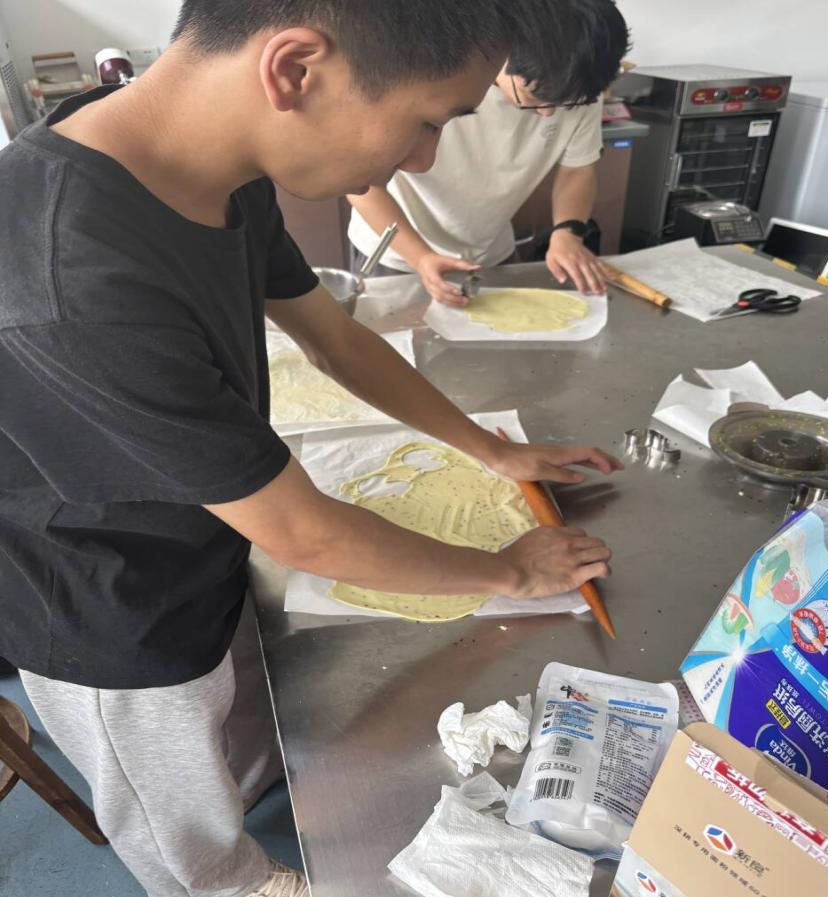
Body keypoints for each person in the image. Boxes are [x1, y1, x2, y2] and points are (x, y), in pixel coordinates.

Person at [0, 2, 621, 896]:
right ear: (294, 69)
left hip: (205, 534)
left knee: (238, 739)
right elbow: (306, 533)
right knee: (178, 819)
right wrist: (510, 571)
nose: (423, 160)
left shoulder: (221, 167)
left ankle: (250, 803)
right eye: (427, 122)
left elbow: (335, 338)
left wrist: (491, 450)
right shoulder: (71, 269)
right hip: (106, 606)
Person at [348, 0, 629, 304]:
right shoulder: (433, 76)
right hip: (397, 253)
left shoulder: (579, 87)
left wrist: (567, 232)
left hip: (491, 252)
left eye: (565, 104)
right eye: (535, 96)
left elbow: (577, 169)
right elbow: (362, 185)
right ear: (504, 49)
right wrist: (420, 257)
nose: (548, 113)